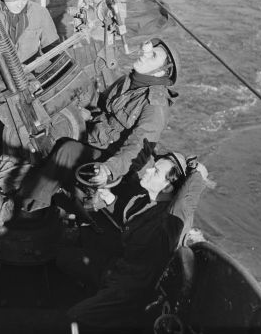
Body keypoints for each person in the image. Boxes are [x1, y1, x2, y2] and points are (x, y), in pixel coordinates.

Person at [16, 37, 179, 213]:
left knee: (67, 149)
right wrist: (84, 112)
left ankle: (31, 211)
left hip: (111, 158)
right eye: (148, 51)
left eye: (153, 56)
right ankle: (33, 188)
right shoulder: (128, 81)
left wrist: (109, 169)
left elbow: (138, 148)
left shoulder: (155, 105)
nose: (144, 55)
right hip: (95, 137)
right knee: (49, 131)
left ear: (160, 73)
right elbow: (101, 105)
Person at [59, 151, 208, 334]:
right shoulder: (146, 201)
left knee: (72, 321)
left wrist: (195, 171)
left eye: (155, 172)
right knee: (61, 257)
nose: (148, 171)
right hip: (116, 267)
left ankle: (120, 323)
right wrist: (110, 200)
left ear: (169, 187)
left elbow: (189, 197)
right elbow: (131, 221)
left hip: (131, 290)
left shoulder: (171, 220)